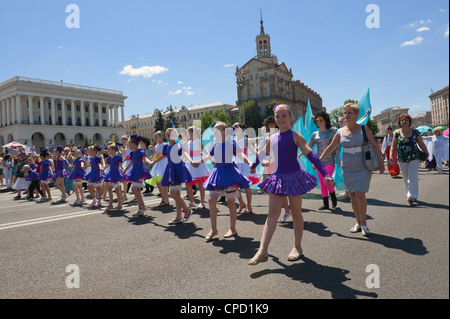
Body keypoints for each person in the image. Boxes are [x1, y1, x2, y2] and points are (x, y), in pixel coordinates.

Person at [248, 104, 334, 265]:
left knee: (296, 214)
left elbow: (311, 154)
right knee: (272, 214)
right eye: (277, 116)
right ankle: (262, 250)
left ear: (290, 117)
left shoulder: (296, 136)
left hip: (294, 177)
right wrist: (253, 165)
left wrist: (326, 174)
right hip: (278, 178)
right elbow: (263, 153)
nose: (280, 119)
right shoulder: (272, 137)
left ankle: (297, 247)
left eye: (283, 116)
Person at [321, 103, 385, 236]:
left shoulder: (363, 128)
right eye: (345, 113)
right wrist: (319, 159)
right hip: (347, 167)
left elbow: (374, 145)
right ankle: (358, 222)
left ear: (356, 115)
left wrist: (381, 162)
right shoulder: (340, 132)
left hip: (363, 166)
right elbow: (331, 147)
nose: (346, 115)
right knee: (353, 196)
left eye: (349, 113)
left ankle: (365, 224)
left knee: (360, 194)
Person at [193, 121, 253, 242]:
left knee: (231, 203)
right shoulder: (215, 144)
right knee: (211, 200)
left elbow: (240, 155)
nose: (214, 131)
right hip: (218, 172)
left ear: (225, 131)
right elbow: (209, 156)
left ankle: (232, 229)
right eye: (214, 130)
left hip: (229, 172)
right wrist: (199, 161)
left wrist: (250, 162)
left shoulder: (232, 143)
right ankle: (213, 229)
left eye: (217, 129)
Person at [150, 128, 193, 224]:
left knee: (173, 194)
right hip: (170, 168)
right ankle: (178, 216)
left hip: (177, 168)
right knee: (176, 194)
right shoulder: (166, 146)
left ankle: (187, 210)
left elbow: (184, 153)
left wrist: (190, 160)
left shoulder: (178, 145)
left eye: (172, 134)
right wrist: (154, 161)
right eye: (168, 135)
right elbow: (163, 156)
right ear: (166, 136)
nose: (170, 137)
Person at [390, 114, 429, 205]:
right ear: (399, 122)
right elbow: (393, 146)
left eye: (406, 120)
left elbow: (421, 143)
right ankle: (409, 194)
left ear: (409, 122)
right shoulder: (397, 133)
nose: (404, 121)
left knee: (412, 176)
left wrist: (426, 152)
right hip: (402, 157)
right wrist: (391, 155)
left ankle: (413, 195)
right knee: (405, 178)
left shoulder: (415, 132)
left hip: (414, 157)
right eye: (402, 120)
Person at [307, 111, 339, 210]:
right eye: (317, 120)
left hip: (330, 160)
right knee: (321, 182)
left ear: (325, 121)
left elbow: (336, 146)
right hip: (319, 162)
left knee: (326, 181)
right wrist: (302, 156)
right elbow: (308, 147)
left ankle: (333, 197)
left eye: (321, 120)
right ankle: (325, 204)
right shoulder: (314, 134)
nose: (319, 122)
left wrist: (338, 158)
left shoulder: (331, 132)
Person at [232, 122, 259, 214]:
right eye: (234, 128)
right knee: (235, 186)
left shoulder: (245, 139)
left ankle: (249, 206)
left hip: (245, 163)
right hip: (236, 163)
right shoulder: (233, 140)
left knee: (247, 186)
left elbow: (252, 150)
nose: (234, 130)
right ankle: (241, 203)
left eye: (236, 128)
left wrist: (260, 159)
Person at [123, 135, 152, 217]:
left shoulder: (140, 151)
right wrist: (125, 170)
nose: (128, 145)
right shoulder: (132, 153)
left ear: (135, 144)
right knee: (137, 190)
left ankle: (142, 206)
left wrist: (149, 162)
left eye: (129, 143)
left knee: (134, 189)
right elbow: (130, 163)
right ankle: (141, 207)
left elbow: (144, 159)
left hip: (139, 171)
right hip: (134, 171)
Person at [184, 126, 210, 209]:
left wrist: (201, 159)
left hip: (198, 164)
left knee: (200, 184)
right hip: (190, 163)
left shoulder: (198, 141)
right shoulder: (188, 143)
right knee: (188, 184)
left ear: (193, 133)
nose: (187, 134)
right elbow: (186, 154)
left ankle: (202, 202)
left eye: (189, 132)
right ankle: (192, 201)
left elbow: (206, 152)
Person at [149, 131, 170, 207]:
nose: (155, 138)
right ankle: (163, 198)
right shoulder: (156, 146)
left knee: (162, 182)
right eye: (154, 137)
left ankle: (165, 199)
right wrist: (150, 158)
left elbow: (163, 155)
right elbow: (154, 155)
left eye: (156, 136)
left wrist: (154, 161)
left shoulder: (165, 145)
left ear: (161, 137)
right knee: (158, 182)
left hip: (163, 163)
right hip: (157, 163)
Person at [102, 143, 125, 211]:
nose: (108, 150)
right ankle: (117, 204)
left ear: (114, 150)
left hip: (116, 174)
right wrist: (103, 169)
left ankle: (112, 204)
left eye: (109, 149)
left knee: (113, 189)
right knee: (115, 190)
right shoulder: (110, 157)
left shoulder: (118, 157)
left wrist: (124, 169)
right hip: (112, 174)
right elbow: (108, 164)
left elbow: (120, 165)